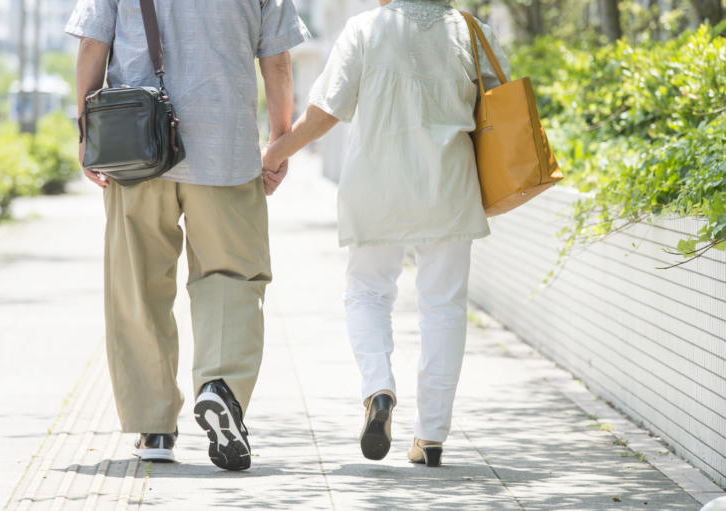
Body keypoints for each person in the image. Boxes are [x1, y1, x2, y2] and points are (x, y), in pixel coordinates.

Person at [261, 0, 510, 466]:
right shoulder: (472, 32)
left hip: (377, 187)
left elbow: (323, 114)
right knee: (444, 307)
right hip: (450, 189)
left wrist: (275, 153)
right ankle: (431, 437)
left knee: (368, 293)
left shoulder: (365, 30)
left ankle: (379, 389)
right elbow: (499, 109)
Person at [66, 0, 309, 470]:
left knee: (137, 283)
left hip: (135, 142)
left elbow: (93, 44)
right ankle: (221, 388)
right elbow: (277, 60)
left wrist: (86, 132)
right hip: (227, 147)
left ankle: (154, 426)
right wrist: (278, 145)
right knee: (233, 276)